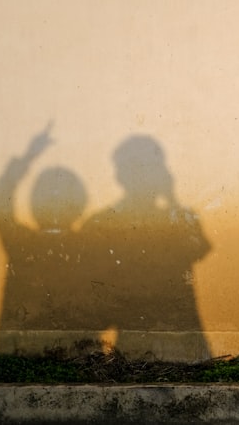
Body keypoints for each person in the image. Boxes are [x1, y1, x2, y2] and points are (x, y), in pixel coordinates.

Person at [82, 135, 212, 360]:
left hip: (176, 331)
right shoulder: (102, 222)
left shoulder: (181, 218)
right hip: (140, 329)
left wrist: (172, 200)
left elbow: (199, 249)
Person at [0, 123, 93, 354]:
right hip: (72, 352)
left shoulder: (20, 243)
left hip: (22, 349)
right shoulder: (87, 245)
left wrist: (28, 156)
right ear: (79, 206)